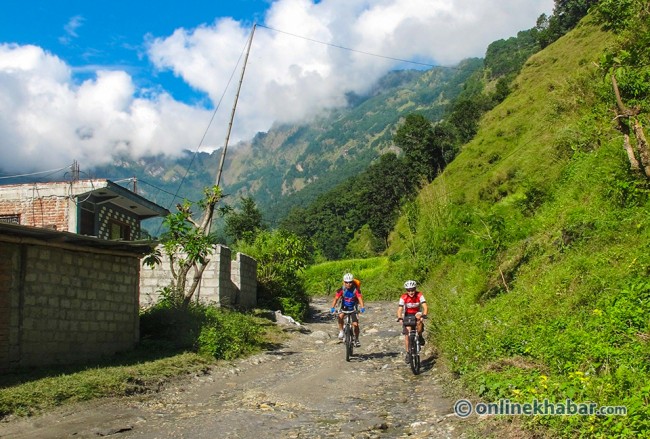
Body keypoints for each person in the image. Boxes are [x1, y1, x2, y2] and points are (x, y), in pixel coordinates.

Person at [397, 280, 428, 363]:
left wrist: (424, 315)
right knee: (407, 334)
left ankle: (420, 336)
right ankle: (408, 353)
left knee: (419, 321)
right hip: (408, 315)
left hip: (417, 313)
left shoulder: (419, 295)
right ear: (406, 291)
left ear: (415, 289)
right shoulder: (403, 297)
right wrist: (400, 318)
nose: (411, 292)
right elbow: (400, 309)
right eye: (409, 290)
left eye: (412, 290)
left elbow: (425, 306)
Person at [330, 273, 365, 347]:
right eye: (346, 282)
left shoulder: (356, 290)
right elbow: (336, 298)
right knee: (340, 316)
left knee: (355, 324)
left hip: (353, 308)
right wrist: (333, 307)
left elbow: (360, 299)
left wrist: (362, 307)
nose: (348, 284)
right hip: (344, 307)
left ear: (352, 282)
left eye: (350, 282)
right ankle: (341, 331)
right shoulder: (341, 290)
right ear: (344, 282)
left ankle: (356, 339)